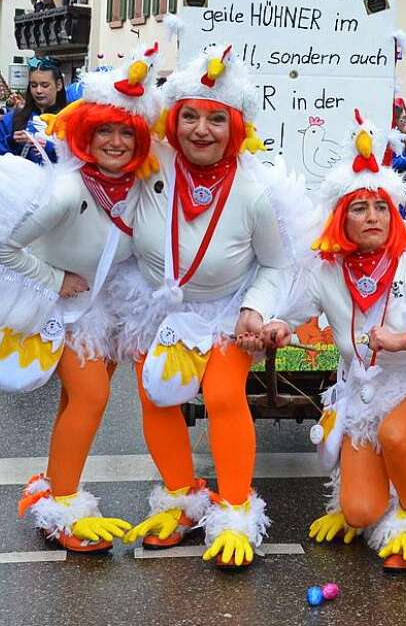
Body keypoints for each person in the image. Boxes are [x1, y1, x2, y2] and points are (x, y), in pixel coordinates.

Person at [0, 47, 159, 552]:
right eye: (105, 130)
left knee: (75, 404)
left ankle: (55, 485)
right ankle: (63, 506)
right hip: (59, 310)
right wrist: (55, 277)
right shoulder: (66, 190)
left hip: (102, 312)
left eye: (127, 132)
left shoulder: (136, 187)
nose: (115, 141)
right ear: (85, 132)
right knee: (91, 398)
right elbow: (4, 248)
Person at [256, 111, 406, 570]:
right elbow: (296, 310)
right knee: (359, 511)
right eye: (359, 209)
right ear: (342, 218)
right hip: (361, 396)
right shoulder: (327, 270)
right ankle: (380, 494)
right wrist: (277, 325)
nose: (372, 217)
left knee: (396, 434)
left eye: (381, 207)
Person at [114, 44, 306, 568]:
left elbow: (277, 265)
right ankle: (181, 500)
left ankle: (236, 511)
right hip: (158, 308)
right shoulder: (147, 168)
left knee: (222, 395)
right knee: (157, 397)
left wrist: (257, 309)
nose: (202, 129)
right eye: (191, 116)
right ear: (174, 121)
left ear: (235, 125)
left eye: (216, 119)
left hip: (226, 310)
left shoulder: (255, 191)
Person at [0, 58, 65, 164]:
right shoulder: (11, 119)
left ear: (59, 85)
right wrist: (11, 142)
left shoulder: (70, 119)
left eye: (45, 85)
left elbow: (81, 161)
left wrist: (50, 149)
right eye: (33, 85)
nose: (38, 91)